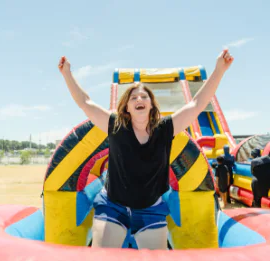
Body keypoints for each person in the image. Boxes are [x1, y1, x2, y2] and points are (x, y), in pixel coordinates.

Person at [58, 49, 234, 250]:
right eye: (133, 98)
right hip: (113, 204)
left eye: (144, 97)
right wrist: (67, 74)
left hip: (150, 207)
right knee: (103, 256)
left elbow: (196, 104)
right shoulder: (115, 126)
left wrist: (219, 69)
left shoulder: (165, 129)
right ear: (126, 107)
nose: (139, 100)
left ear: (151, 105)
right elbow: (85, 102)